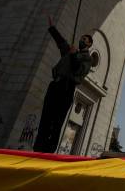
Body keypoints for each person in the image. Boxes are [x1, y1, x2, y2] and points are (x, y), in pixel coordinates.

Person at [33, 16, 93, 153]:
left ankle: (48, 151)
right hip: (55, 85)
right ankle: (37, 148)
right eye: (81, 38)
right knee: (46, 117)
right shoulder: (70, 51)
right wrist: (52, 28)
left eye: (85, 40)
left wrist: (73, 55)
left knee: (56, 121)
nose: (81, 41)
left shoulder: (87, 58)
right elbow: (61, 42)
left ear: (89, 44)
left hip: (66, 88)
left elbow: (79, 70)